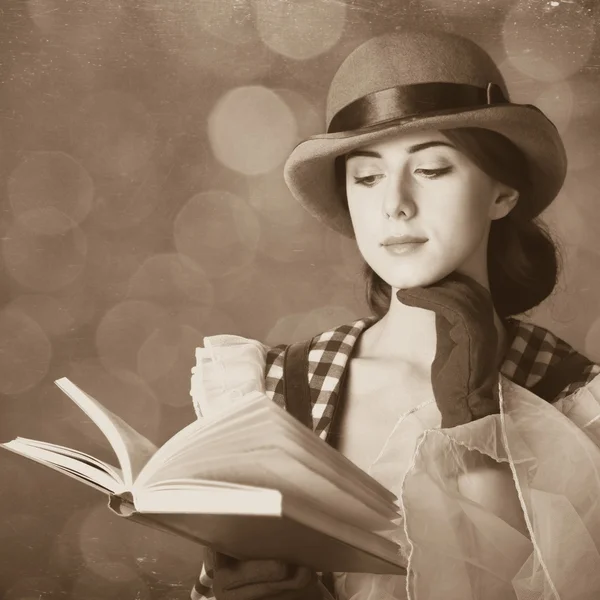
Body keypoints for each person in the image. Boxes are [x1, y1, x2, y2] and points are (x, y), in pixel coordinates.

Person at [189, 30, 600, 600]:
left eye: (432, 169)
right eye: (367, 176)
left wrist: (475, 419)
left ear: (503, 193)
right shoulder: (280, 389)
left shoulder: (576, 398)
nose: (395, 204)